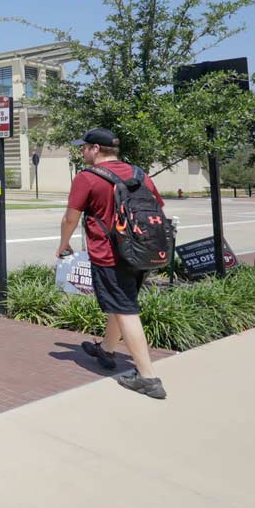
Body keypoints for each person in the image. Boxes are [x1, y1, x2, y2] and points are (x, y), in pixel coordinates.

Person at [55, 127, 167, 400]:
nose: (81, 151)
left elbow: (71, 217)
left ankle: (148, 377)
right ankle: (106, 349)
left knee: (126, 309)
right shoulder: (139, 173)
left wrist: (63, 244)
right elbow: (158, 209)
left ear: (96, 149)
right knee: (121, 302)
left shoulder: (87, 178)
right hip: (141, 252)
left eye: (84, 147)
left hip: (109, 255)